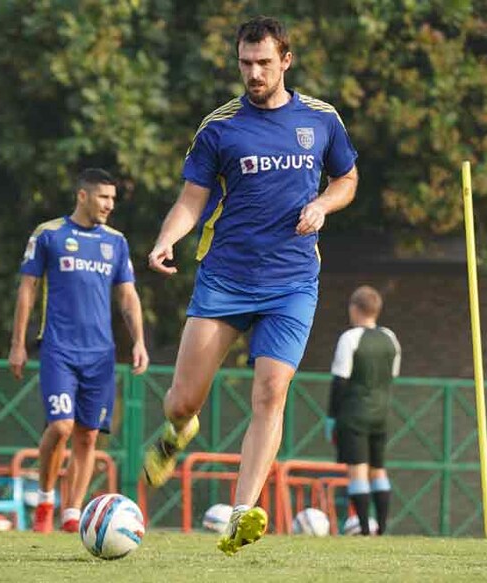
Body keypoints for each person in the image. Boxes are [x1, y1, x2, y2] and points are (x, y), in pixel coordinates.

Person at [142, 16, 359, 556]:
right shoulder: (220, 126)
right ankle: (178, 431)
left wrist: (322, 204)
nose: (254, 73)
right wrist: (166, 239)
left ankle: (242, 512)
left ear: (286, 60)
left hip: (292, 282)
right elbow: (192, 198)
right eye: (245, 63)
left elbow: (347, 179)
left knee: (270, 392)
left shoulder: (321, 119)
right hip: (226, 278)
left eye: (264, 62)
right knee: (181, 401)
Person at [8, 168, 149, 533]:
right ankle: (44, 498)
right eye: (103, 197)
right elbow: (27, 289)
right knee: (61, 426)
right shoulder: (49, 234)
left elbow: (127, 295)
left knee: (88, 435)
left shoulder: (116, 242)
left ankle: (72, 514)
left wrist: (139, 341)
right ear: (82, 196)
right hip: (58, 348)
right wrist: (18, 344)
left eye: (113, 199)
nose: (109, 205)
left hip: (101, 354)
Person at [326, 285, 401, 536]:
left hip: (354, 414)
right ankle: (383, 528)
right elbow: (392, 375)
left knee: (357, 470)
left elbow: (340, 380)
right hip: (382, 414)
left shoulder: (350, 338)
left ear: (354, 309)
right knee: (378, 469)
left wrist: (331, 417)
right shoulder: (390, 338)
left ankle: (365, 530)